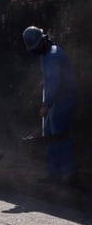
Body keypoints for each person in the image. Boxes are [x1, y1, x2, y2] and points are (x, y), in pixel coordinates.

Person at [23, 26, 79, 186]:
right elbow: (52, 77)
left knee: (58, 135)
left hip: (63, 99)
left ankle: (69, 175)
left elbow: (55, 84)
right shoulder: (45, 53)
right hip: (56, 99)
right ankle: (53, 173)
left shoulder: (53, 55)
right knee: (49, 135)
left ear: (42, 41)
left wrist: (45, 105)